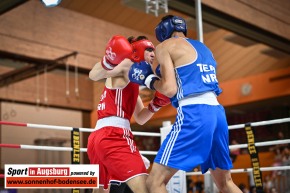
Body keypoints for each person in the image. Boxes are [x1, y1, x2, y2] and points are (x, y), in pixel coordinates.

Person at [128, 15, 242, 193]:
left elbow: (170, 89)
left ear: (162, 30)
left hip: (194, 113)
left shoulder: (165, 46)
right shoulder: (204, 48)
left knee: (154, 183)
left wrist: (149, 79)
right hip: (218, 113)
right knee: (226, 183)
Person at [87, 35, 170, 193]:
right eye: (149, 50)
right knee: (146, 188)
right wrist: (109, 60)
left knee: (101, 191)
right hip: (114, 136)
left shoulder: (133, 84)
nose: (153, 54)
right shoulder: (127, 64)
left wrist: (156, 104)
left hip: (98, 138)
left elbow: (140, 118)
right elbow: (94, 75)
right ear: (136, 50)